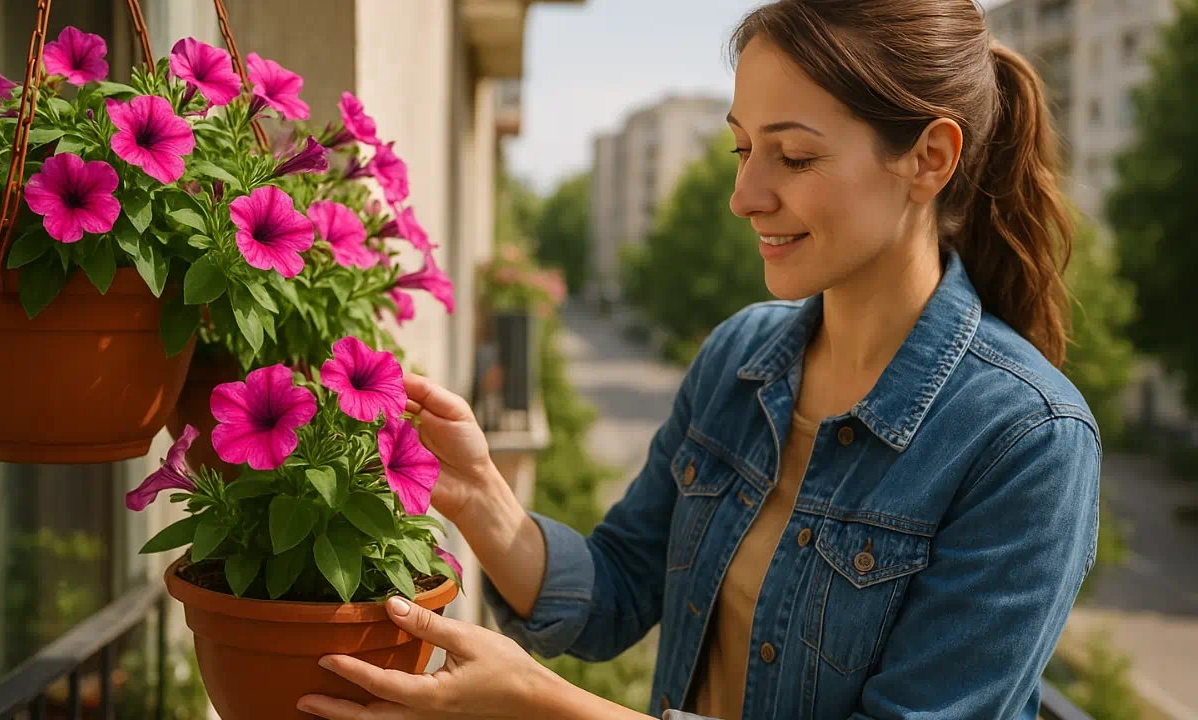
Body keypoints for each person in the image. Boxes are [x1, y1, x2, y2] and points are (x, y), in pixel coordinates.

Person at [297, 0, 1102, 717]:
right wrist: (479, 496)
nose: (744, 195)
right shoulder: (741, 357)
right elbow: (616, 589)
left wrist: (541, 705)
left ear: (930, 157)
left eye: (792, 156)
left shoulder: (1028, 442)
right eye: (741, 149)